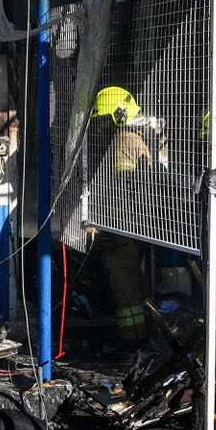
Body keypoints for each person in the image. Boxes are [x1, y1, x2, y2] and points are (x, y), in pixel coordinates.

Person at [89, 86, 154, 343]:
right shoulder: (135, 138)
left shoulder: (123, 141)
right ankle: (144, 335)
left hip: (123, 227)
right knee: (134, 282)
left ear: (119, 115)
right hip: (132, 225)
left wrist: (111, 228)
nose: (101, 125)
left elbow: (122, 189)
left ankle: (132, 339)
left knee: (124, 286)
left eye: (105, 118)